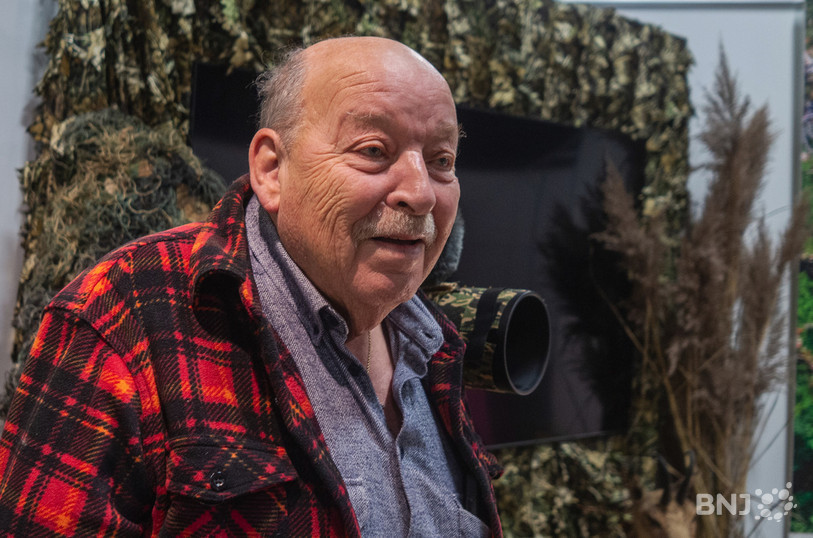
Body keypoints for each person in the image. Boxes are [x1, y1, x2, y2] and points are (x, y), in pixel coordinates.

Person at [0, 37, 503, 536]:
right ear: (271, 169)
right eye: (373, 151)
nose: (419, 193)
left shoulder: (432, 343)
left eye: (441, 160)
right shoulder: (123, 315)